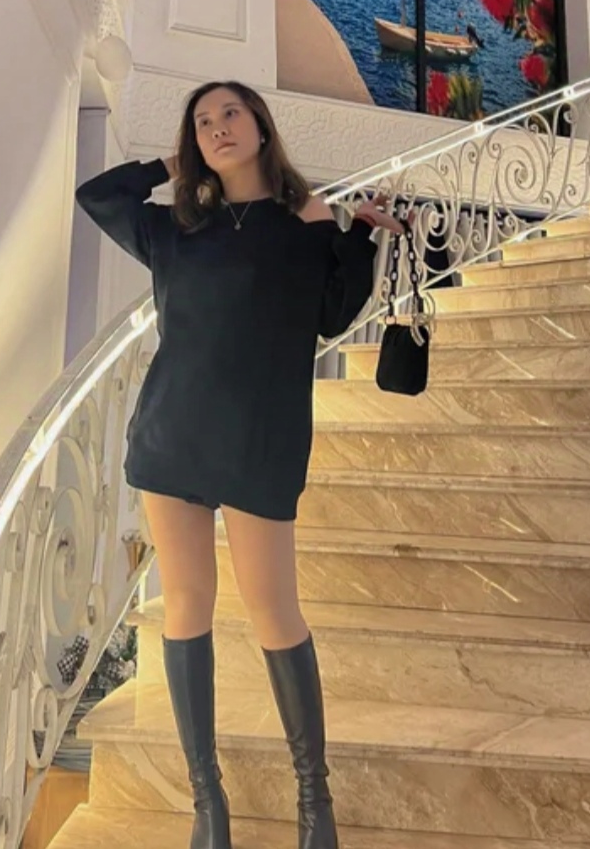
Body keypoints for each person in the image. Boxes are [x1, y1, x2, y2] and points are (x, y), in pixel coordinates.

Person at [76, 80, 402, 849]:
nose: (217, 127)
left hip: (261, 439)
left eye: (230, 114)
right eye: (202, 122)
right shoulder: (175, 227)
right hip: (173, 435)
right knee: (186, 605)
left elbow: (332, 314)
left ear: (261, 125)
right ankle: (207, 803)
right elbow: (97, 196)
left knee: (274, 613)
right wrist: (174, 164)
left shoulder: (304, 222)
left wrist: (357, 236)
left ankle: (314, 799)